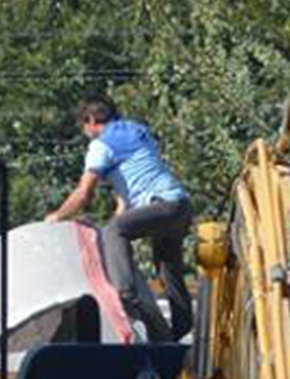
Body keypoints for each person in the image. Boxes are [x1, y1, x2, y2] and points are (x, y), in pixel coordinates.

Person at [48, 96, 191, 338]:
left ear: (91, 121)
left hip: (162, 205)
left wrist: (57, 216)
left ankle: (126, 295)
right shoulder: (137, 131)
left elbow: (84, 193)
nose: (85, 133)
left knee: (113, 232)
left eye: (84, 127)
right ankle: (179, 332)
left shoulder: (102, 145)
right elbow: (126, 198)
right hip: (180, 206)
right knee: (168, 271)